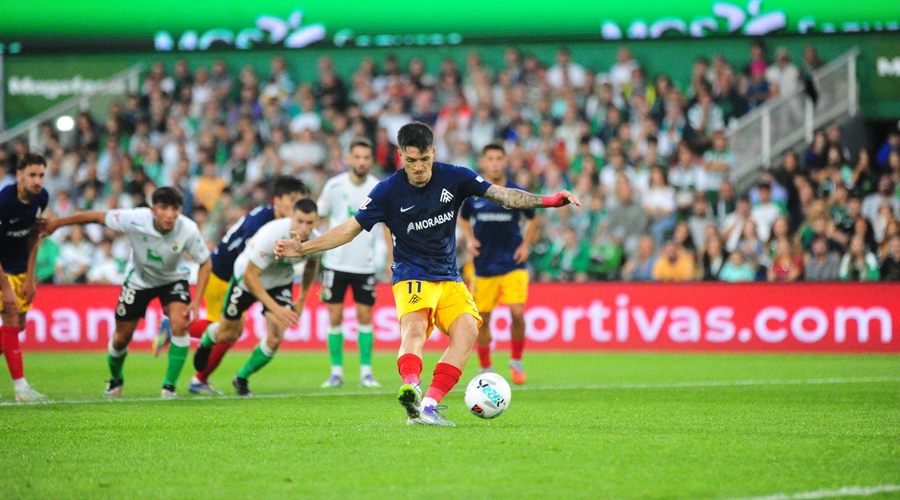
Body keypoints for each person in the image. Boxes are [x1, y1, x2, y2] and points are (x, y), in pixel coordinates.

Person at [274, 122, 579, 426]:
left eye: (424, 160)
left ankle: (428, 406)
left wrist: (550, 200)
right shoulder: (387, 191)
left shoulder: (455, 177)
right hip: (410, 274)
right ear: (400, 156)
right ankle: (411, 385)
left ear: (433, 152)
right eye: (411, 161)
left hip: (448, 277)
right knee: (415, 329)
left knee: (468, 330)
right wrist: (303, 249)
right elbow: (349, 230)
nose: (418, 167)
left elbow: (502, 195)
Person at [43, 187, 211, 399]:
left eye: (175, 209)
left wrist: (196, 301)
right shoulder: (134, 218)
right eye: (164, 208)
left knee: (180, 322)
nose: (170, 214)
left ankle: (169, 387)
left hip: (173, 280)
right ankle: (115, 380)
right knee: (121, 338)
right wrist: (57, 223)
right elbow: (96, 216)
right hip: (139, 281)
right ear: (153, 210)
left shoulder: (188, 229)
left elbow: (205, 262)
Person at [177, 176, 308, 395]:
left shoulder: (285, 223)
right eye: (292, 200)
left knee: (230, 332)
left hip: (249, 277)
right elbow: (248, 264)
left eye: (300, 200)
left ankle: (200, 377)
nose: (296, 207)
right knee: (227, 332)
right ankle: (176, 327)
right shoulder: (262, 223)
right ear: (277, 200)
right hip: (223, 275)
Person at [458, 144, 539, 385]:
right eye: (490, 159)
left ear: (505, 162)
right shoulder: (474, 194)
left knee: (517, 313)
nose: (494, 163)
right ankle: (485, 366)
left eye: (498, 159)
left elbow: (533, 218)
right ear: (483, 162)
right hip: (483, 266)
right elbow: (463, 219)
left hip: (512, 263)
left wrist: (526, 245)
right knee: (482, 318)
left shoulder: (516, 192)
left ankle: (516, 359)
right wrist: (470, 239)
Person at [317, 138, 392, 388]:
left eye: (366, 158)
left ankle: (366, 373)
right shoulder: (334, 186)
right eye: (357, 157)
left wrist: (391, 259)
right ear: (348, 159)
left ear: (371, 161)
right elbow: (320, 217)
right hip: (335, 262)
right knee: (335, 316)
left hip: (365, 264)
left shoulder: (377, 188)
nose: (361, 162)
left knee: (364, 316)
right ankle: (336, 372)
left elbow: (386, 227)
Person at [0, 153, 49, 401]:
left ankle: (21, 388)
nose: (37, 180)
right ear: (19, 175)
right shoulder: (4, 201)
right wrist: (5, 287)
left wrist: (30, 278)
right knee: (9, 318)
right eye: (32, 175)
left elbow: (33, 236)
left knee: (18, 325)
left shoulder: (42, 197)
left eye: (41, 174)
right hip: (1, 269)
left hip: (19, 268)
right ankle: (21, 389)